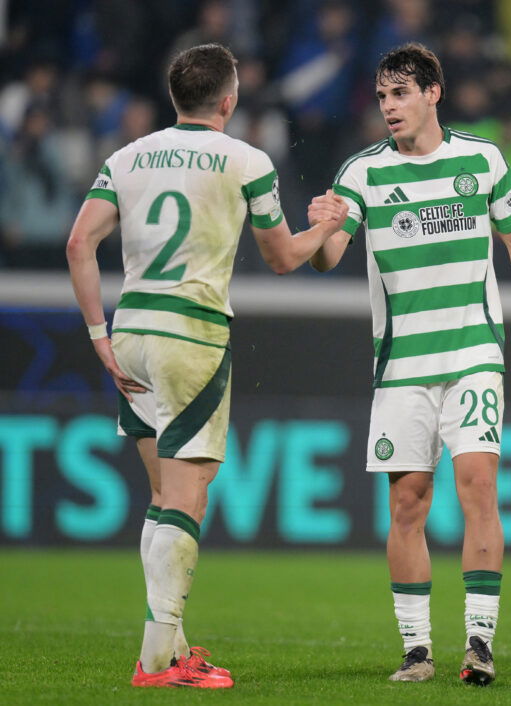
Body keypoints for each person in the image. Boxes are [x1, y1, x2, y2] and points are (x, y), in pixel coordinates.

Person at [65, 43, 348, 689]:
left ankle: (174, 646)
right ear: (229, 99)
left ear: (175, 97)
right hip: (191, 334)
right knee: (188, 499)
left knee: (164, 498)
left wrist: (97, 334)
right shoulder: (246, 159)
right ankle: (156, 663)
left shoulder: (127, 156)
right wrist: (327, 224)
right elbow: (281, 257)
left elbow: (80, 242)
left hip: (132, 330)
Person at [306, 43, 511, 686]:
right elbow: (330, 256)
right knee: (408, 505)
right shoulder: (362, 172)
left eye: (400, 93)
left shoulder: (482, 158)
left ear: (432, 93)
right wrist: (319, 230)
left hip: (474, 350)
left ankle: (479, 642)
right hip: (400, 365)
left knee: (478, 485)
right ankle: (417, 650)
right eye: (382, 96)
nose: (389, 106)